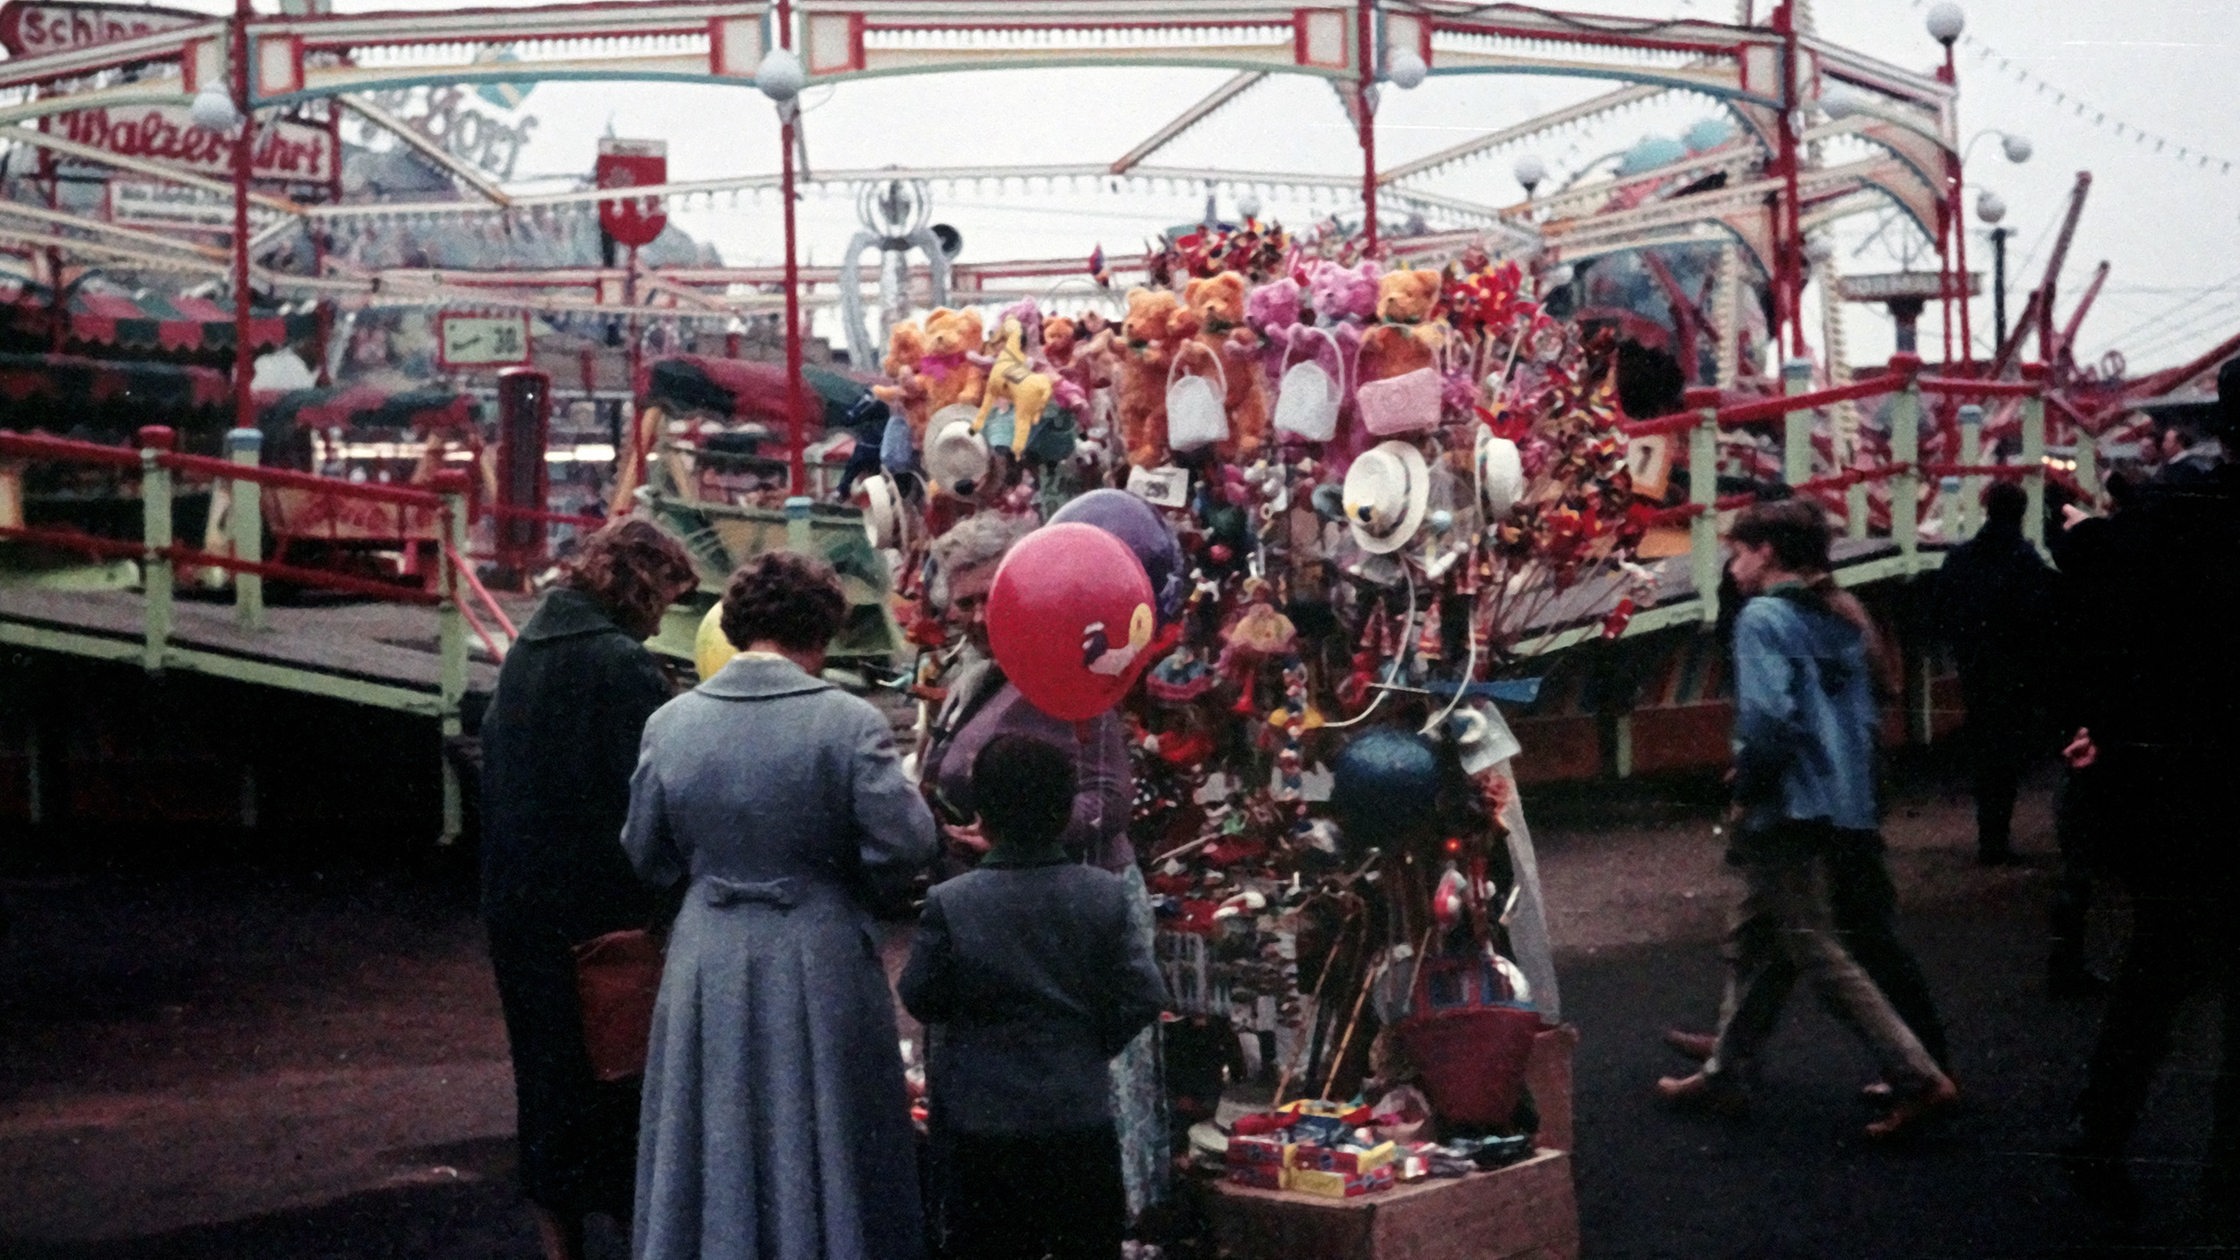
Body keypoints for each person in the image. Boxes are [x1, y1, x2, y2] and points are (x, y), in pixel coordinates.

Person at [625, 552, 938, 1260]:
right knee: (822, 1131)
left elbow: (645, 852)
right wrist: (851, 879)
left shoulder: (670, 724)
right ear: (822, 632)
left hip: (707, 952)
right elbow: (907, 842)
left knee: (713, 1134)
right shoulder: (847, 722)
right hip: (819, 945)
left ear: (735, 629)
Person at [1655, 500, 1959, 1139]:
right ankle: (1724, 1069)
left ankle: (1917, 1074)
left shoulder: (1763, 617)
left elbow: (1767, 719)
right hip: (1842, 797)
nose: (1732, 564)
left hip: (1788, 800)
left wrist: (1749, 784)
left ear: (1765, 552)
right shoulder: (1842, 617)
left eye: (1738, 552)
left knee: (1813, 946)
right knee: (1760, 936)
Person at [918, 513, 1167, 1222]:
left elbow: (1110, 798)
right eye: (960, 601)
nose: (971, 615)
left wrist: (1016, 833)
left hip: (1067, 906)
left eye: (984, 598)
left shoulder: (1063, 660)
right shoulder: (979, 675)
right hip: (999, 900)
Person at [478, 519, 698, 1260]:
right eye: (667, 596)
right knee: (623, 1086)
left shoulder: (527, 650)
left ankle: (559, 1245)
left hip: (518, 908)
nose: (666, 615)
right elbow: (649, 798)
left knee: (543, 1084)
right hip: (602, 915)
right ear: (641, 584)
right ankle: (643, 1238)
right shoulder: (621, 665)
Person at [2059, 363, 2240, 1225]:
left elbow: (2096, 603)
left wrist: (2102, 725)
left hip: (2169, 779)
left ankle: (2099, 1142)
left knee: (2156, 970)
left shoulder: (2166, 518)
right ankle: (2224, 1177)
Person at [899, 734, 1168, 1260]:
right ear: (1066, 808)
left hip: (982, 1124)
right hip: (1078, 1115)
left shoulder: (952, 903)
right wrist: (1091, 1044)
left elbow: (920, 996)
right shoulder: (1103, 895)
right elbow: (1142, 994)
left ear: (983, 813)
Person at [1932, 479, 2053, 864]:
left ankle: (1990, 837)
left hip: (1974, 667)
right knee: (2007, 752)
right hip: (2014, 670)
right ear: (2022, 512)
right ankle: (1997, 838)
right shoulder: (2026, 560)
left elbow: (1942, 608)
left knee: (1985, 748)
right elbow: (2040, 618)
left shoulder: (1961, 557)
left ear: (1985, 508)